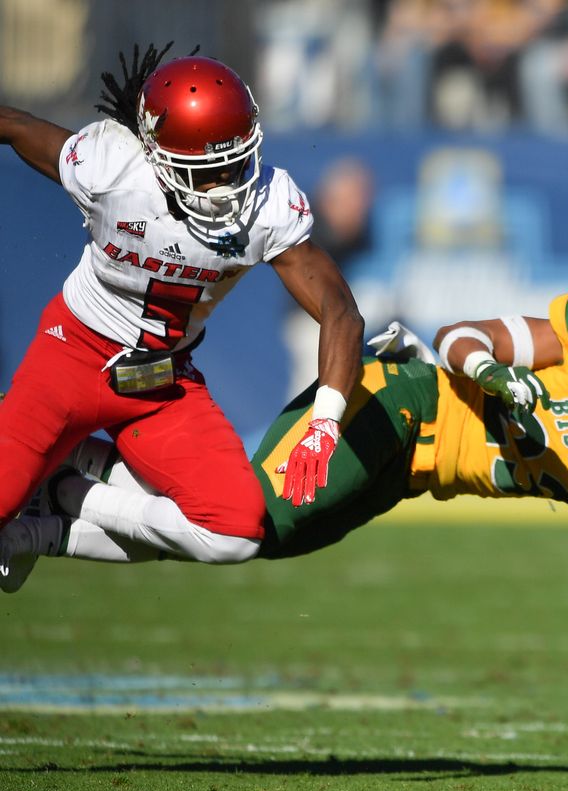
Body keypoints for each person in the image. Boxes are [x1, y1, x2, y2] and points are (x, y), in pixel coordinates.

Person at [13, 281, 568, 645]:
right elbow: (458, 333)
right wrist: (492, 374)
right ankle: (62, 493)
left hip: (406, 476)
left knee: (270, 535)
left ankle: (63, 492)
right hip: (400, 398)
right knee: (245, 524)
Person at [0, 43, 365, 590]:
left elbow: (340, 310)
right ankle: (51, 461)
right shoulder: (112, 167)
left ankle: (49, 511)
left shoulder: (266, 205)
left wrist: (325, 421)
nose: (226, 188)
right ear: (154, 154)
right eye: (205, 172)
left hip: (162, 381)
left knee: (234, 532)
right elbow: (18, 125)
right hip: (70, 356)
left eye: (234, 162)